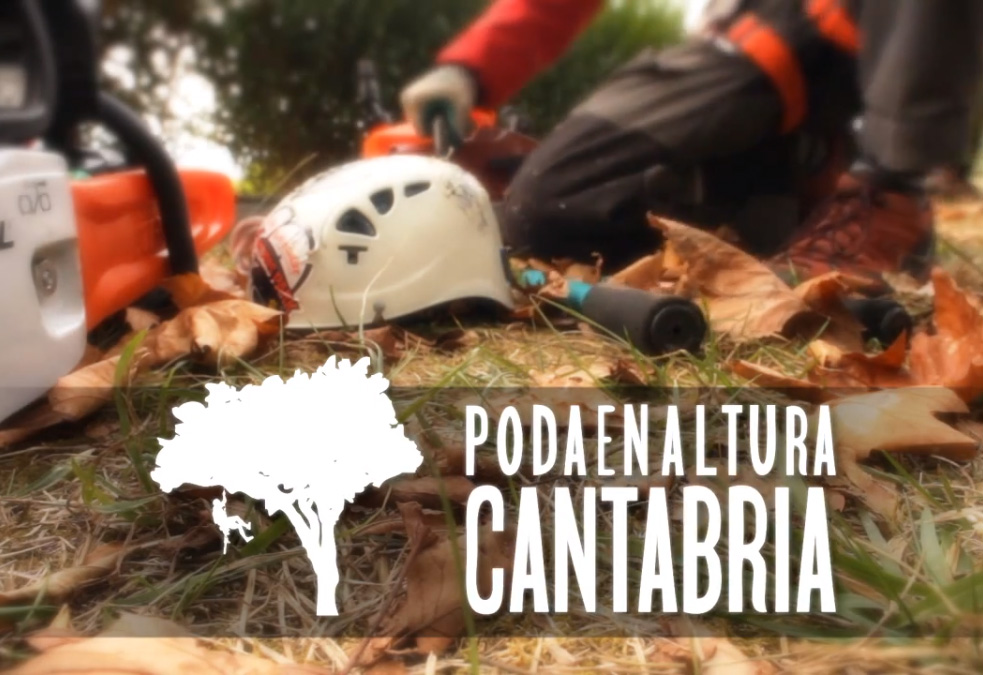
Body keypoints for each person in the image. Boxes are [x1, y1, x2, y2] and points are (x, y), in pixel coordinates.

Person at [400, 0, 983, 288]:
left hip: (884, 32)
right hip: (764, 39)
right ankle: (801, 194)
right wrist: (471, 69)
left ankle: (890, 193)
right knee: (548, 211)